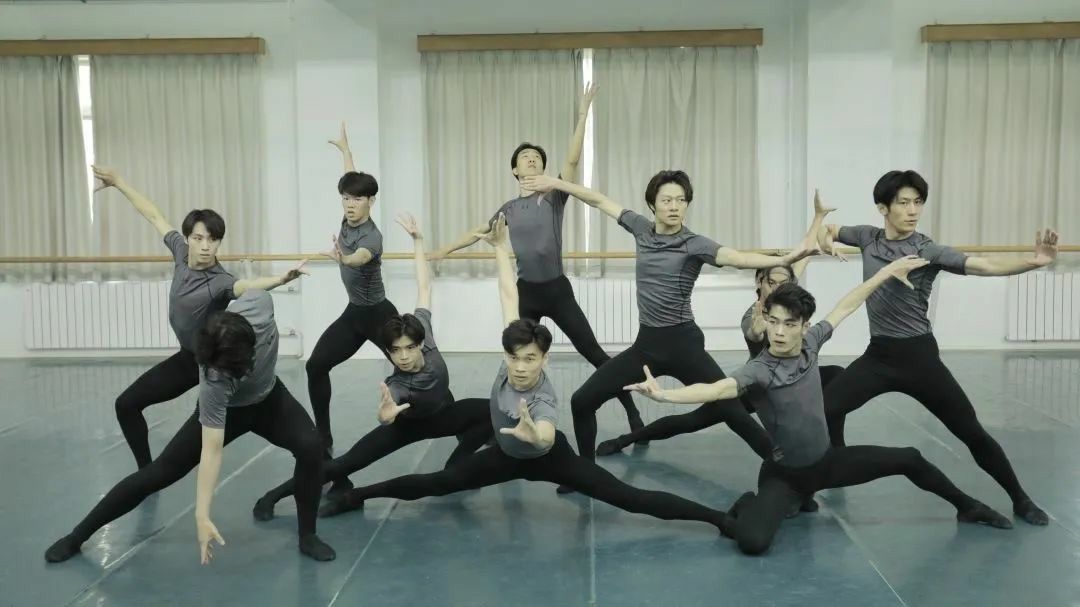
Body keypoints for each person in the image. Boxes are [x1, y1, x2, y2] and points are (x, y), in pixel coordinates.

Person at [316, 216, 733, 539]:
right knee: (436, 483)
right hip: (504, 455)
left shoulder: (543, 399)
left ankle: (719, 518)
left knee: (629, 498)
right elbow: (508, 294)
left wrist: (537, 436)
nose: (519, 367)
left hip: (551, 457)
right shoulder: (509, 361)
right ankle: (356, 495)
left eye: (530, 360)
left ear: (545, 360)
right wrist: (501, 248)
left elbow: (546, 432)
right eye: (514, 358)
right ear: (506, 356)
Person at [627, 259, 1013, 556]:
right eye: (773, 322)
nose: (779, 332)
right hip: (784, 475)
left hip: (826, 464)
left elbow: (847, 304)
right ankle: (751, 503)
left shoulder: (812, 342)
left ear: (804, 325)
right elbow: (717, 389)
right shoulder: (760, 370)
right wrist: (664, 396)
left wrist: (886, 272)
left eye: (788, 324)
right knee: (753, 543)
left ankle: (967, 506)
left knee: (909, 458)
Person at [521, 171, 815, 493]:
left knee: (734, 413)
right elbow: (599, 200)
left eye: (681, 200)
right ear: (653, 204)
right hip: (646, 346)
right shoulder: (640, 229)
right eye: (667, 200)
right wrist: (558, 184)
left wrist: (789, 257)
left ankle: (793, 480)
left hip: (684, 346)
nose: (675, 206)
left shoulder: (693, 244)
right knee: (582, 401)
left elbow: (737, 258)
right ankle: (586, 475)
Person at [817, 169, 1058, 525]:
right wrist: (826, 240)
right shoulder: (867, 237)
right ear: (883, 208)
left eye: (918, 202)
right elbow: (829, 229)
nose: (913, 210)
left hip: (920, 360)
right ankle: (832, 463)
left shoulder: (926, 250)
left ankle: (1020, 498)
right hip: (878, 356)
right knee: (822, 411)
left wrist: (1032, 262)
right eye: (904, 203)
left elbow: (983, 266)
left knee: (971, 432)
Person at [45, 290, 336, 564]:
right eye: (234, 373)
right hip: (230, 411)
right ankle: (77, 536)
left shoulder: (259, 305)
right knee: (160, 472)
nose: (243, 373)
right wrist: (202, 515)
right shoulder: (214, 382)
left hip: (270, 399)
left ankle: (307, 535)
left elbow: (251, 287)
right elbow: (212, 451)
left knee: (311, 447)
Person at [430, 84, 645, 435]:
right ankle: (508, 421)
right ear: (515, 170)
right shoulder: (509, 208)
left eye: (536, 157)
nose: (531, 159)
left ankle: (631, 409)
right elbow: (477, 232)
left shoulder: (554, 197)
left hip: (557, 291)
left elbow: (572, 161)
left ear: (543, 168)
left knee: (593, 352)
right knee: (516, 357)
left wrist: (582, 113)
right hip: (526, 293)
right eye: (525, 157)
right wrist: (442, 251)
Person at [252, 214, 492, 521]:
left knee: (491, 411)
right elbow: (386, 410)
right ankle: (272, 496)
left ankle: (457, 463)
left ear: (420, 343)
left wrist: (418, 241)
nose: (403, 357)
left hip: (443, 415)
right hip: (408, 424)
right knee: (344, 464)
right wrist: (386, 415)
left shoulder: (425, 331)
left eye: (409, 348)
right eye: (395, 351)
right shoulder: (399, 385)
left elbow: (424, 284)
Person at [595, 191, 845, 459]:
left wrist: (818, 217)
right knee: (691, 422)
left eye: (784, 282)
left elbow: (802, 256)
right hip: (757, 384)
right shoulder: (753, 316)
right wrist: (759, 329)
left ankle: (834, 446)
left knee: (837, 375)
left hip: (789, 378)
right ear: (759, 283)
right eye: (772, 283)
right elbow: (754, 332)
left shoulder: (785, 299)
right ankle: (629, 438)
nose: (779, 287)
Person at [92, 166, 305, 469]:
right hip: (187, 359)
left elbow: (247, 286)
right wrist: (119, 182)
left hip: (211, 364)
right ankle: (145, 472)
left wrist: (281, 279)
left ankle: (319, 459)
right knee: (126, 404)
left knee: (271, 428)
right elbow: (153, 215)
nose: (206, 246)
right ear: (188, 238)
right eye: (199, 238)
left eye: (213, 240)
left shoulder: (219, 280)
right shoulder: (180, 252)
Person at [308, 123, 399, 454]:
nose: (349, 204)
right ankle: (323, 436)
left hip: (379, 315)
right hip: (354, 315)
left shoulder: (372, 237)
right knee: (315, 366)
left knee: (418, 367)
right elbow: (350, 178)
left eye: (357, 199)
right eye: (345, 198)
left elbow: (360, 258)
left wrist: (343, 259)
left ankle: (456, 423)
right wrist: (346, 151)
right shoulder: (348, 218)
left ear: (371, 201)